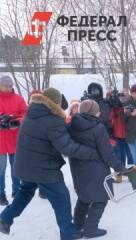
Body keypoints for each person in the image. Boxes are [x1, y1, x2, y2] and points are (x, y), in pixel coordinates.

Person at [0, 88, 100, 240]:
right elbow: (67, 147)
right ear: (55, 103)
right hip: (43, 168)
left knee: (25, 192)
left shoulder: (31, 114)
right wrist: (92, 152)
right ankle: (68, 234)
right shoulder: (52, 120)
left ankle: (5, 218)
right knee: (62, 199)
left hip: (26, 165)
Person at [68, 100, 132, 239]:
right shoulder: (98, 128)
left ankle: (77, 227)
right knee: (101, 199)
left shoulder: (72, 125)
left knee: (84, 197)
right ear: (92, 112)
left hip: (78, 168)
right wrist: (121, 168)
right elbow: (107, 154)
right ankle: (91, 229)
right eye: (97, 110)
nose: (99, 112)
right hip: (96, 169)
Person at [0, 76, 27, 205]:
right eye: (5, 85)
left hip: (15, 140)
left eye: (10, 86)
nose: (7, 88)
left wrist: (16, 121)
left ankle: (17, 192)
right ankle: (1, 194)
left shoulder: (18, 99)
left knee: (16, 169)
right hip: (0, 142)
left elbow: (26, 114)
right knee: (1, 169)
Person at [110, 88, 133, 183]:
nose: (122, 100)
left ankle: (132, 176)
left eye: (124, 98)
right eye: (120, 98)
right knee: (119, 157)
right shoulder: (114, 108)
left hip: (128, 134)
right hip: (117, 135)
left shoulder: (129, 106)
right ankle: (119, 176)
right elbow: (110, 117)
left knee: (131, 156)